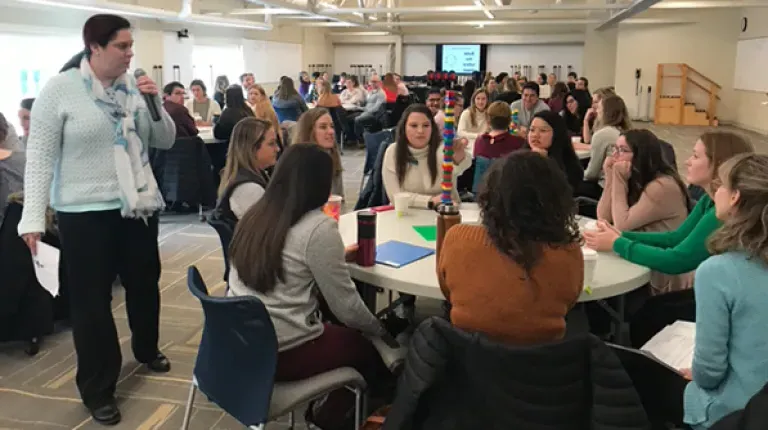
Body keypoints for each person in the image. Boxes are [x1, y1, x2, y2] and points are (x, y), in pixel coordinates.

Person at [18, 14, 176, 425]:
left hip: (137, 206)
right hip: (83, 214)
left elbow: (165, 139)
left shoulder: (133, 89)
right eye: (122, 46)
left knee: (144, 283)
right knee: (92, 303)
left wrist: (155, 102)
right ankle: (98, 388)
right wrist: (32, 218)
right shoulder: (61, 90)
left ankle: (146, 348)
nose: (130, 53)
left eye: (130, 45)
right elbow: (39, 158)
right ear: (96, 48)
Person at [227, 143, 393, 430]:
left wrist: (333, 257)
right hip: (285, 349)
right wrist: (382, 330)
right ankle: (334, 418)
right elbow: (348, 308)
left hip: (242, 342)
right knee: (369, 352)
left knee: (349, 337)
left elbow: (282, 257)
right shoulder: (318, 226)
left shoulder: (257, 215)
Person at [438, 151, 583, 344]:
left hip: (469, 362)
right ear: (556, 199)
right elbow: (569, 301)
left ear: (488, 196)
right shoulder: (568, 253)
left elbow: (447, 291)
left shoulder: (458, 239)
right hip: (543, 365)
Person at [584, 131, 754, 275]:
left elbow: (677, 259)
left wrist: (617, 242)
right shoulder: (709, 200)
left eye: (695, 156)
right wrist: (620, 236)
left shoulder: (722, 212)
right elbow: (676, 237)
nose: (687, 161)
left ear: (719, 164)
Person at [681, 153, 768, 430]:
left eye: (721, 186)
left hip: (733, 414)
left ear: (734, 197)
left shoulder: (718, 271)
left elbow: (708, 373)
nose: (715, 192)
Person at [596, 129, 692, 295]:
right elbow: (603, 216)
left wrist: (618, 180)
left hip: (660, 273)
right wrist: (610, 176)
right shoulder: (634, 178)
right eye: (614, 149)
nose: (615, 156)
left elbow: (622, 225)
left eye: (623, 150)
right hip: (638, 256)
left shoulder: (662, 186)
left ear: (641, 155)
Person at [382, 104, 471, 208]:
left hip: (446, 213)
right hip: (408, 213)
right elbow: (395, 196)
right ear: (404, 128)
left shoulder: (443, 148)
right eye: (414, 126)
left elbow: (462, 166)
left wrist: (459, 158)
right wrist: (430, 201)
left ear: (432, 128)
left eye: (426, 125)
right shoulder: (393, 152)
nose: (420, 131)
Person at [214, 118, 278, 226]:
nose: (277, 149)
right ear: (252, 148)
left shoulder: (254, 175)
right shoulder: (248, 189)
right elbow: (267, 229)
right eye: (271, 144)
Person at [578, 94, 632, 200]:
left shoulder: (603, 134)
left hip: (605, 188)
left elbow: (591, 174)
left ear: (606, 112)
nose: (596, 111)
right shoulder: (626, 131)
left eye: (599, 108)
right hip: (624, 188)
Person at [292, 108, 345, 198]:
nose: (331, 131)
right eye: (323, 127)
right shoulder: (298, 163)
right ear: (309, 132)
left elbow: (339, 198)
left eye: (332, 126)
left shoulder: (332, 156)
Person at [526, 110, 584, 192]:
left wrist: (544, 163)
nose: (535, 135)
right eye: (532, 130)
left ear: (556, 134)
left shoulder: (570, 166)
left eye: (543, 130)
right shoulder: (516, 162)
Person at [354, 74, 386, 141]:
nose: (373, 83)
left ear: (380, 83)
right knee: (349, 117)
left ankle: (360, 140)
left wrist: (363, 109)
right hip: (366, 112)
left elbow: (376, 108)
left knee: (357, 119)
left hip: (374, 115)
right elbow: (366, 102)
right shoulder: (370, 92)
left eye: (375, 81)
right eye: (371, 81)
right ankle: (351, 138)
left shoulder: (381, 94)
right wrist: (359, 103)